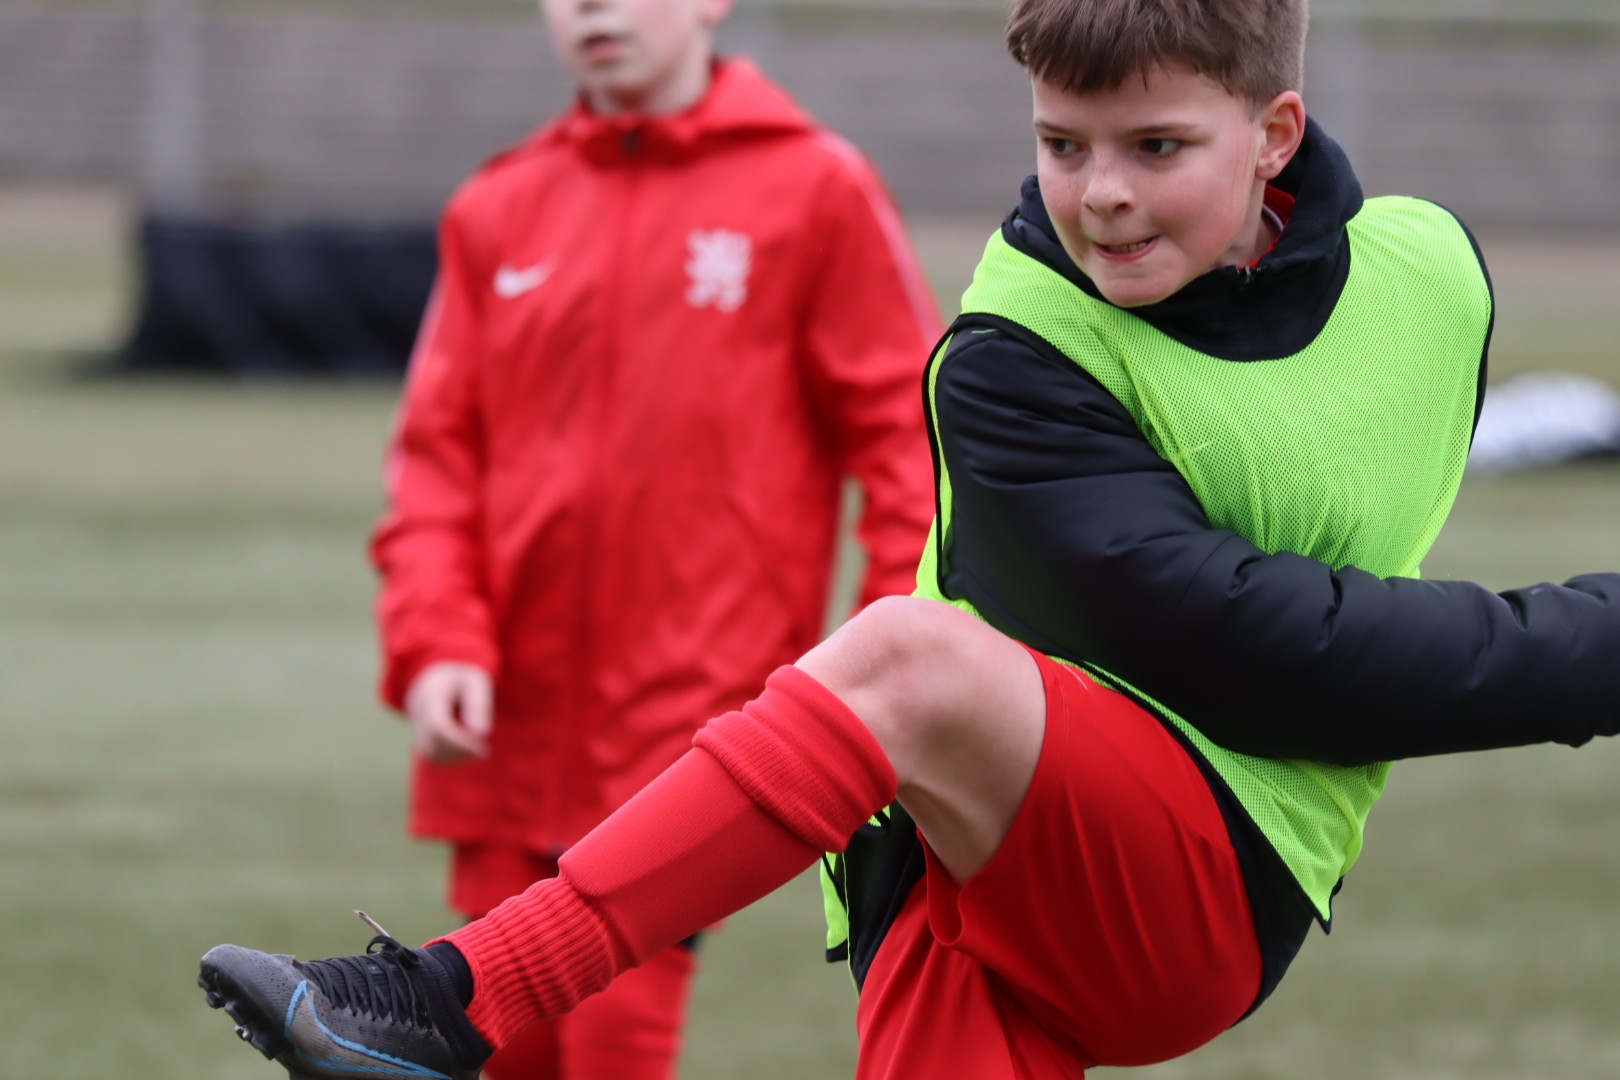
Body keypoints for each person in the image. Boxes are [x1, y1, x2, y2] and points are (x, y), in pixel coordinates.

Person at [198, 1, 1620, 1077]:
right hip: (940, 858)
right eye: (1061, 145)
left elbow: (1271, 652)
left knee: (907, 660)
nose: (1101, 192)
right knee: (910, 671)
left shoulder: (1432, 276)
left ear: (1278, 135)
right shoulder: (1011, 353)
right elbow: (437, 442)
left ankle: (459, 998)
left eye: (1157, 147)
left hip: (1210, 873)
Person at [343, 0, 939, 1076]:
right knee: (500, 1047)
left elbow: (913, 453)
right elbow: (435, 458)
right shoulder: (498, 204)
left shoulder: (815, 188)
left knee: (613, 1036)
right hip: (509, 722)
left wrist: (874, 679)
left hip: (694, 723)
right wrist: (438, 641)